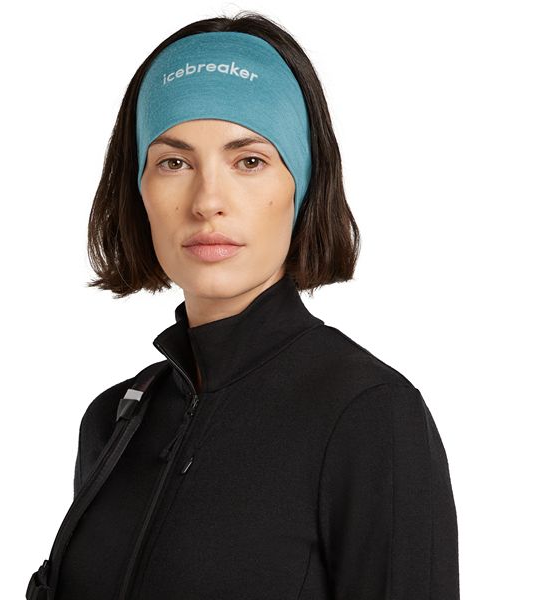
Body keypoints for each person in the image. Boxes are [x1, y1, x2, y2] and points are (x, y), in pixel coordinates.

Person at [52, 11, 460, 600]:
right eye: (174, 162)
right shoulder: (115, 420)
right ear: (139, 188)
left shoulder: (370, 416)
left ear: (301, 185)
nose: (207, 201)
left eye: (249, 161)